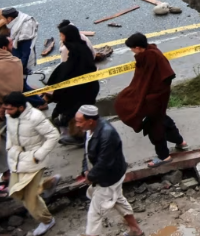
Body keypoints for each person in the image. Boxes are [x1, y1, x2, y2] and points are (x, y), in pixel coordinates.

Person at [114, 33, 188, 168]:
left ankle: (164, 156)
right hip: (156, 97)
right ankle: (180, 142)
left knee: (154, 127)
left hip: (155, 98)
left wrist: (150, 97)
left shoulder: (151, 57)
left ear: (137, 47)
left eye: (132, 48)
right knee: (162, 119)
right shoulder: (149, 52)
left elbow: (166, 76)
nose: (132, 51)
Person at [75, 105, 144, 236]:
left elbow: (104, 163)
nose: (77, 125)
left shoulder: (107, 135)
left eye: (79, 121)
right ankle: (136, 230)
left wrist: (91, 176)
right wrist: (85, 170)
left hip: (108, 179)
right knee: (118, 200)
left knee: (94, 216)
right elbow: (87, 152)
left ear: (90, 121)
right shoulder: (89, 129)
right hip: (108, 175)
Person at [4, 92, 59, 236]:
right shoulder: (10, 115)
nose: (6, 112)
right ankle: (47, 184)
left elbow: (53, 135)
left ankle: (47, 220)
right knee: (15, 191)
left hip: (34, 161)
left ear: (21, 108)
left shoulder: (35, 117)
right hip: (16, 159)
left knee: (29, 199)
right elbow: (10, 132)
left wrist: (38, 155)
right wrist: (9, 147)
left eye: (10, 109)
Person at [45, 22, 98, 147]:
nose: (60, 38)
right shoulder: (81, 46)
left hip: (81, 90)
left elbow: (66, 71)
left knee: (75, 113)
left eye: (62, 35)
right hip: (87, 86)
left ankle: (79, 137)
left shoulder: (69, 50)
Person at [0, 8, 43, 109]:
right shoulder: (15, 22)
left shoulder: (24, 30)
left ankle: (39, 103)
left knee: (22, 86)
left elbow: (26, 52)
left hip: (20, 62)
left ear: (10, 19)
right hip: (14, 58)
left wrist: (20, 68)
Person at [0, 37, 23, 189]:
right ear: (4, 47)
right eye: (10, 44)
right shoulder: (16, 62)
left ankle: (8, 172)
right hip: (16, 107)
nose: (12, 46)